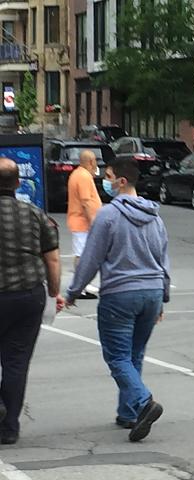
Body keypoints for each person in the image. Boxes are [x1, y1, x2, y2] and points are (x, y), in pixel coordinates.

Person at [65, 157, 170, 442]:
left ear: (122, 181)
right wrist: (163, 295)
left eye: (109, 176)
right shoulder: (155, 217)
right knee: (134, 354)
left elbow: (91, 258)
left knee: (117, 356)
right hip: (151, 293)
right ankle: (128, 412)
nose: (105, 182)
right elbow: (163, 259)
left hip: (119, 294)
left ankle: (144, 403)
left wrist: (74, 291)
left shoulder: (108, 216)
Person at [0, 158, 64, 445]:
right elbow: (52, 257)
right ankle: (9, 427)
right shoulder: (34, 213)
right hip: (27, 295)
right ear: (17, 183)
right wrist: (53, 291)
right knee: (16, 361)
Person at [67, 149, 102, 299]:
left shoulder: (80, 174)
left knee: (84, 254)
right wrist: (93, 222)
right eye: (94, 161)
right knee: (82, 255)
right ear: (90, 162)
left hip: (81, 221)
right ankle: (80, 286)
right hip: (83, 222)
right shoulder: (83, 176)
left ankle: (83, 284)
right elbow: (86, 202)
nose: (96, 164)